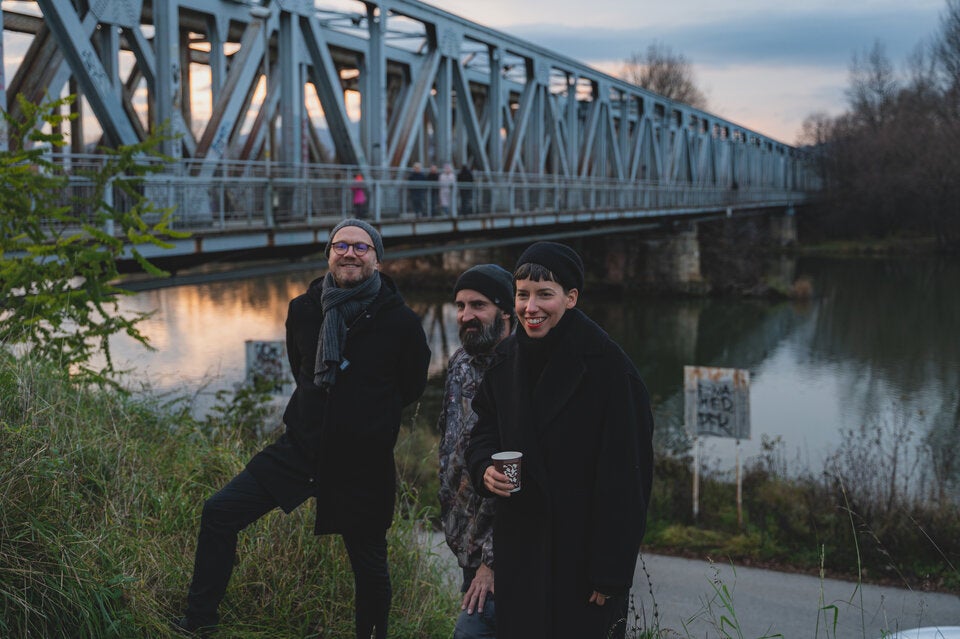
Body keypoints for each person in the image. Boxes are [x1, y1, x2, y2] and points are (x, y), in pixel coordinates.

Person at [175, 219, 431, 638]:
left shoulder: (401, 321)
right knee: (219, 512)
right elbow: (302, 372)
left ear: (378, 260)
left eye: (361, 247)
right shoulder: (304, 309)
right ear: (329, 254)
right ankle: (198, 623)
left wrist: (364, 417)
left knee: (369, 566)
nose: (350, 253)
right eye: (341, 245)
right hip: (302, 447)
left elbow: (411, 385)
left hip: (361, 461)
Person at [465, 241, 654, 639]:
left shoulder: (609, 368)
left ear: (571, 298)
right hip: (520, 552)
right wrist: (484, 469)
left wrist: (611, 572)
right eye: (522, 295)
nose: (530, 307)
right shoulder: (507, 358)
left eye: (544, 295)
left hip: (583, 563)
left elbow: (629, 477)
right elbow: (483, 429)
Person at [438, 264, 516, 639]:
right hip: (466, 543)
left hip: (502, 552)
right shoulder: (459, 363)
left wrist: (493, 562)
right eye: (460, 305)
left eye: (478, 305)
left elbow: (518, 482)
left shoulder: (521, 371)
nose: (466, 315)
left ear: (506, 311)